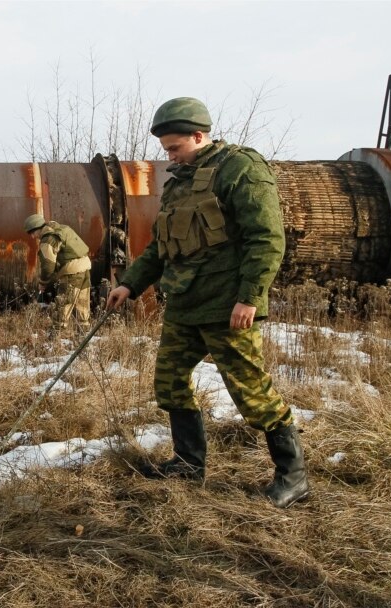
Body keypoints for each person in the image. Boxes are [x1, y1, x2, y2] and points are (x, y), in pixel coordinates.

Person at [104, 96, 310, 509]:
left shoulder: (241, 169)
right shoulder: (180, 181)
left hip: (226, 305)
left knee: (250, 391)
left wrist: (250, 296)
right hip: (185, 300)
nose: (169, 156)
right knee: (169, 381)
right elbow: (163, 246)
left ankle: (293, 476)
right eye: (166, 149)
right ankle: (187, 463)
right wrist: (129, 283)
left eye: (175, 147)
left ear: (200, 135)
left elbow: (267, 237)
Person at [23, 213, 92, 338]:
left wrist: (43, 282)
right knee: (82, 306)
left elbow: (48, 265)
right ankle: (84, 337)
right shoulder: (61, 228)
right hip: (85, 267)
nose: (33, 237)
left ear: (38, 228)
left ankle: (53, 340)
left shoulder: (48, 239)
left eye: (32, 232)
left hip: (72, 272)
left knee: (63, 304)